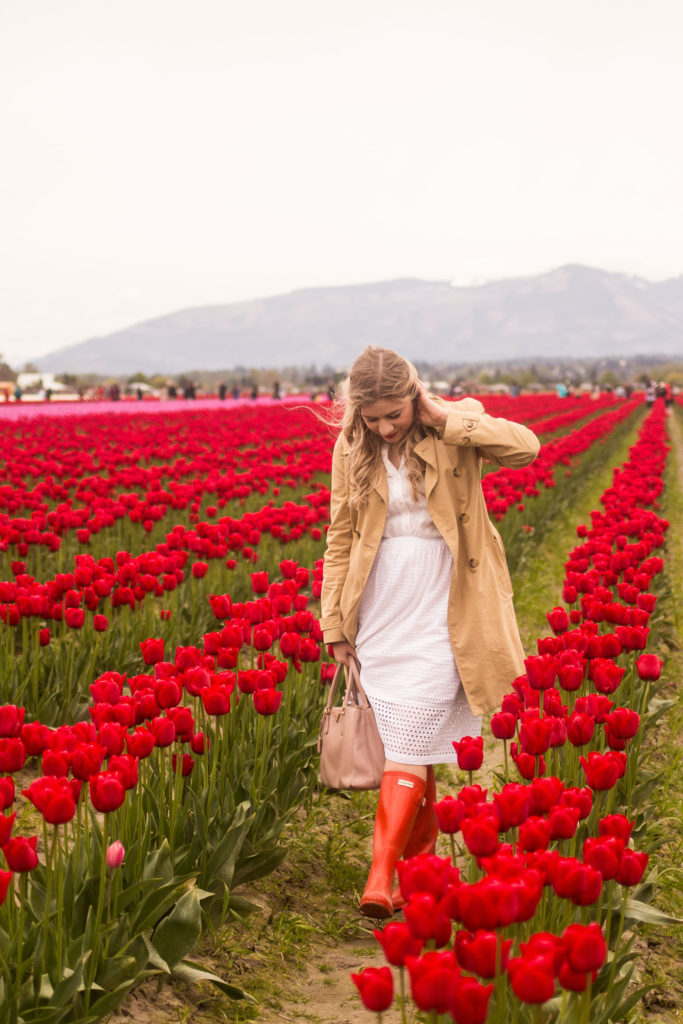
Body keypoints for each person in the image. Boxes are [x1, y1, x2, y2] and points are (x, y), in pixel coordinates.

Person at [320, 346, 540, 918]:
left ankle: (379, 873)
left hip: (449, 600)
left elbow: (526, 448)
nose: (385, 427)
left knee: (412, 732)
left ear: (414, 396)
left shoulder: (453, 426)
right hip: (381, 602)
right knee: (404, 743)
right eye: (372, 419)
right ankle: (415, 880)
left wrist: (445, 418)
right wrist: (335, 622)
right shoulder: (352, 447)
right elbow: (340, 536)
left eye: (394, 414)